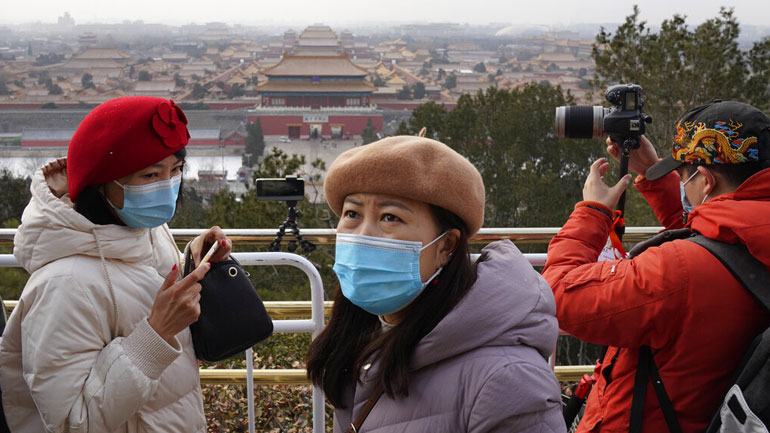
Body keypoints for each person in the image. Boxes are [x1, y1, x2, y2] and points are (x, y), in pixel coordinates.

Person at [0, 96, 232, 432]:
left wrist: (193, 262)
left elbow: (135, 290)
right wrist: (156, 334)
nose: (167, 184)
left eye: (176, 169)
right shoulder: (61, 285)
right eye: (151, 174)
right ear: (101, 185)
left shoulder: (146, 231)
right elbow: (71, 423)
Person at [306, 136, 565, 432]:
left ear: (446, 246)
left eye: (390, 217)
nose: (364, 234)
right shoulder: (363, 342)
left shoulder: (509, 380)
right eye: (352, 214)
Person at [542, 100, 770, 432]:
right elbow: (720, 242)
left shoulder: (677, 271)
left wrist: (591, 211)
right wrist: (653, 171)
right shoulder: (750, 240)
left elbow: (556, 294)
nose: (680, 181)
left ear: (705, 181)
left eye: (681, 174)